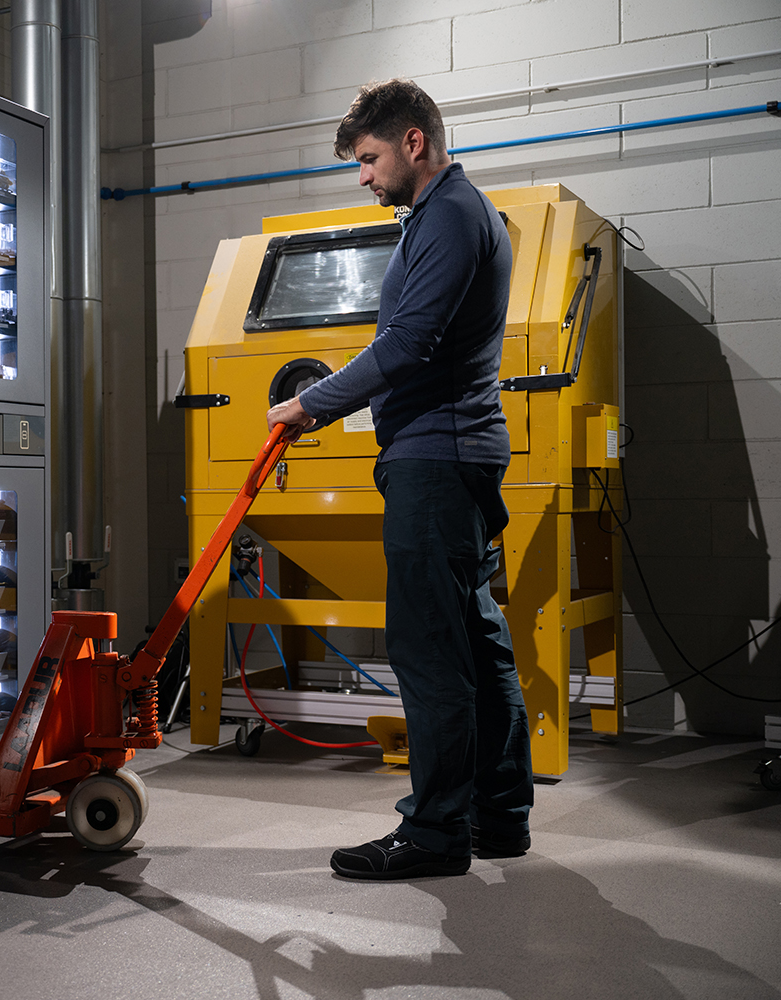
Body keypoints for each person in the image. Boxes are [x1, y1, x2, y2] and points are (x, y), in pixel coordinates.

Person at [266, 79, 534, 880]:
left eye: (370, 158)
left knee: (428, 652)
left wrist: (308, 405)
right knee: (478, 647)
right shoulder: (450, 214)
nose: (364, 176)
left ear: (414, 142)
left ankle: (436, 832)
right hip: (456, 455)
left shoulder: (451, 214)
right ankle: (499, 816)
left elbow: (407, 343)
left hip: (437, 458)